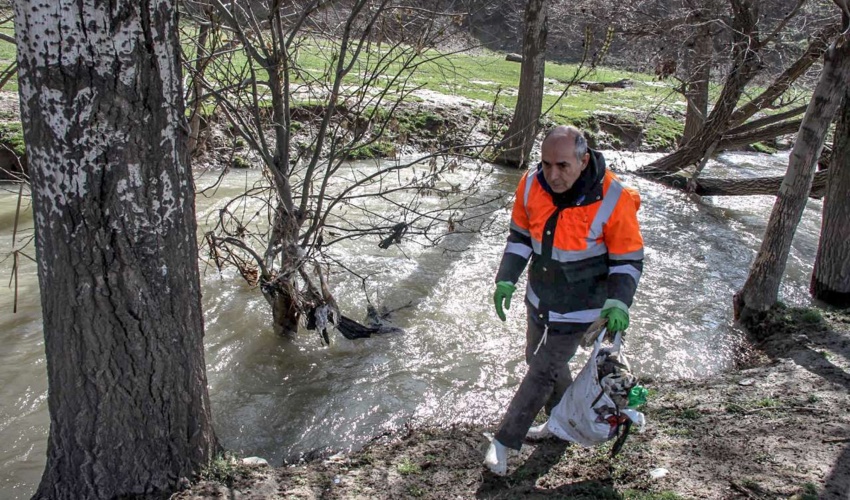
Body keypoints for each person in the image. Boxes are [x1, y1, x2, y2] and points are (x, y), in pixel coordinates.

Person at [484, 125, 644, 475]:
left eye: (562, 166)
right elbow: (520, 237)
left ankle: (504, 441)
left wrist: (619, 302)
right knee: (536, 359)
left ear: (584, 161)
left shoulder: (614, 197)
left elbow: (627, 259)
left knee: (542, 370)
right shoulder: (530, 183)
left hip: (583, 307)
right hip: (540, 298)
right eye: (546, 164)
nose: (552, 175)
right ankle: (561, 423)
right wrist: (506, 279)